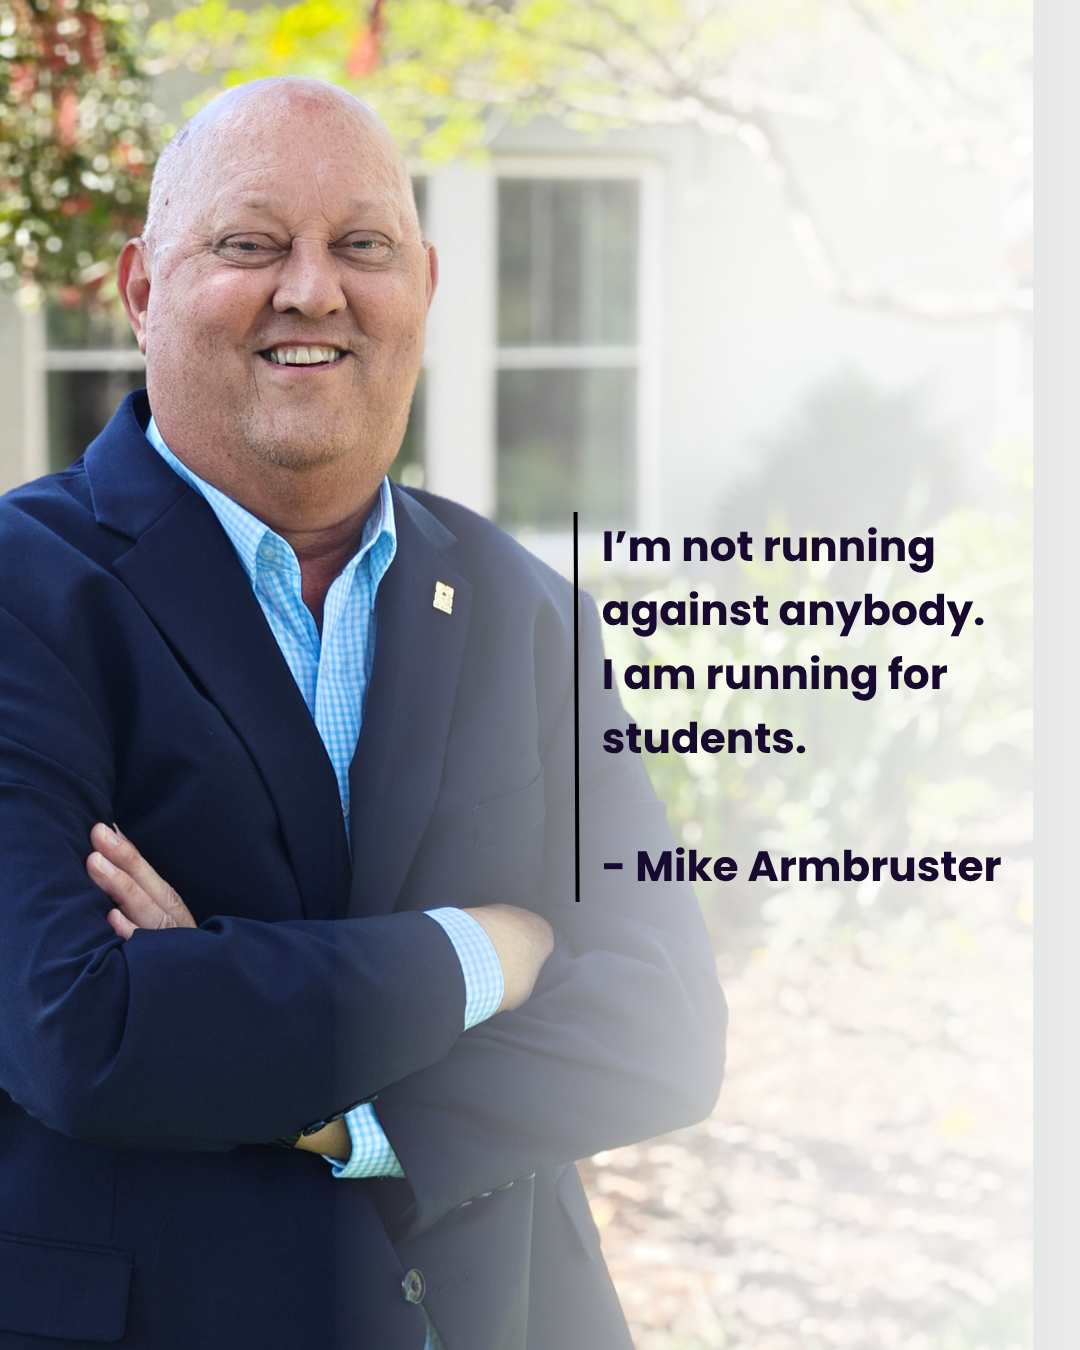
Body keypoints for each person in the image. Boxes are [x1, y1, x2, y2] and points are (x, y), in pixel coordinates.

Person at [0, 78, 725, 1350]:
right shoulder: (25, 591)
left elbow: (667, 1026)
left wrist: (326, 1107)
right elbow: (83, 1030)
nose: (312, 289)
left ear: (428, 287)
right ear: (140, 288)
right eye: (250, 243)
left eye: (362, 246)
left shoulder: (528, 612)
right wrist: (489, 955)